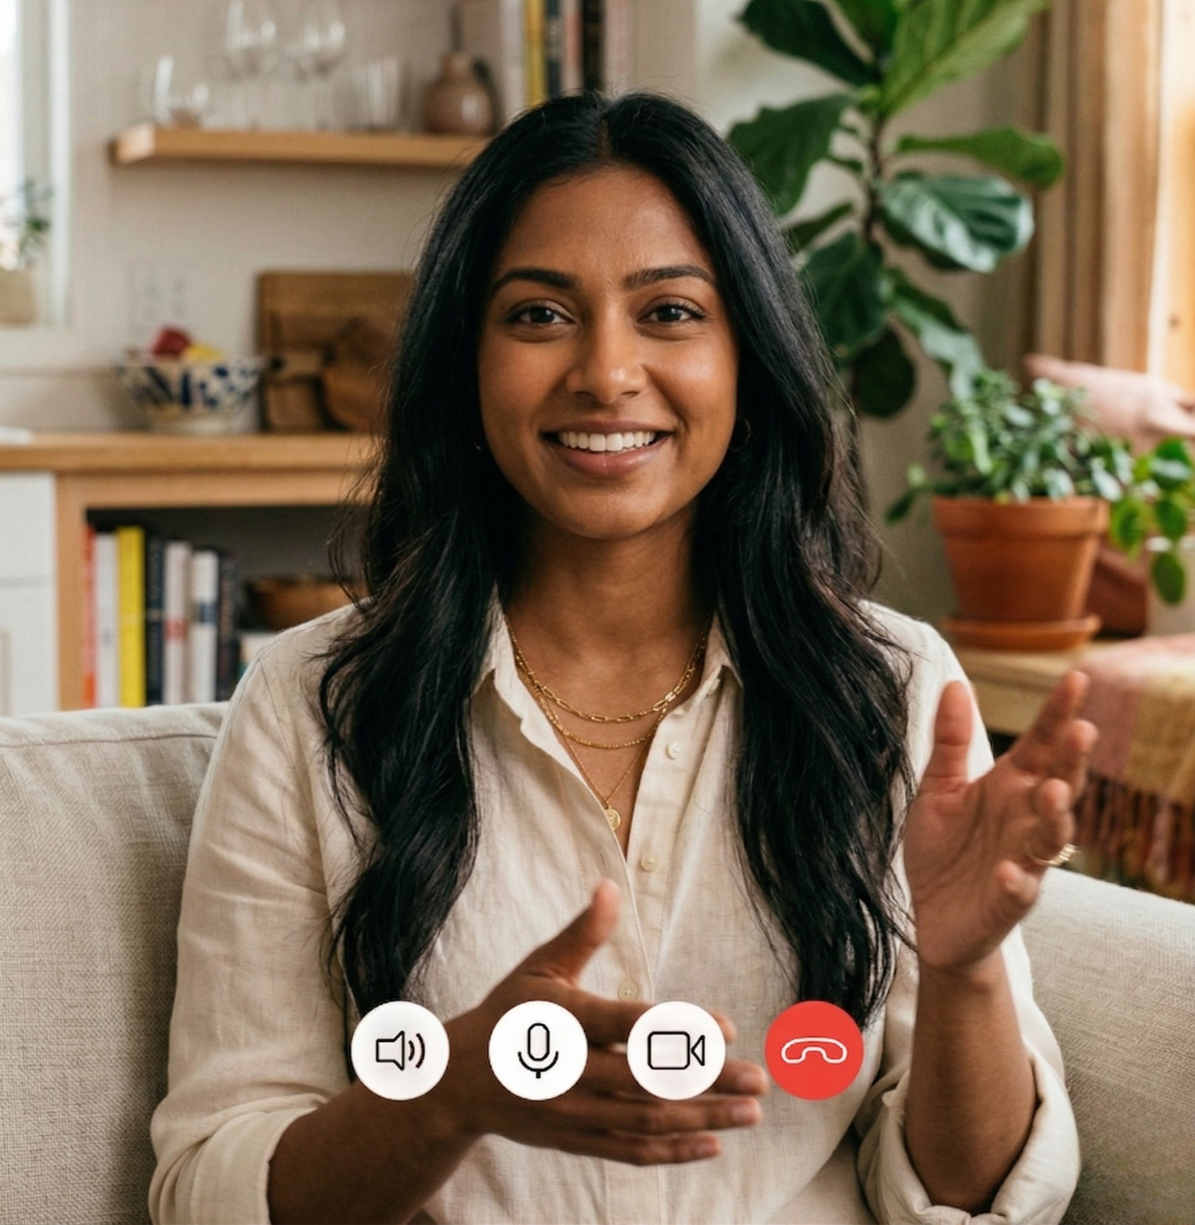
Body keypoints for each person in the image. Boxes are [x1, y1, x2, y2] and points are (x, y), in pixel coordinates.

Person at [149, 92, 1091, 1225]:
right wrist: (448, 1098)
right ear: (467, 361)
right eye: (540, 314)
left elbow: (972, 1199)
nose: (605, 371)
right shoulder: (310, 707)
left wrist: (967, 970)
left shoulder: (889, 687)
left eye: (670, 313)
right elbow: (212, 1185)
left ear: (747, 355)